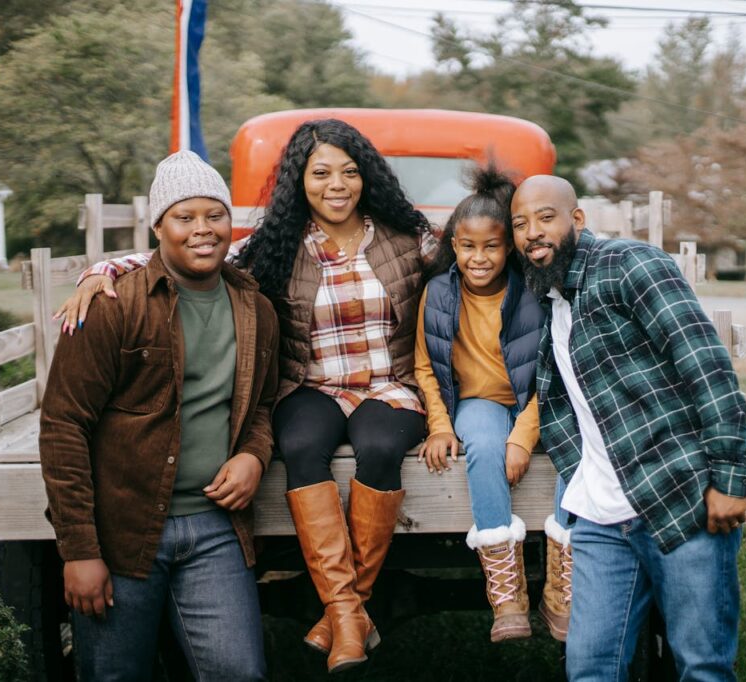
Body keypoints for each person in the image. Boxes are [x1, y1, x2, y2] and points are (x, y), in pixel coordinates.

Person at [54, 119, 438, 673]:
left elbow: (480, 260)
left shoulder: (408, 240)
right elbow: (190, 254)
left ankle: (345, 612)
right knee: (301, 442)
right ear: (298, 181)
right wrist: (104, 268)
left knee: (380, 447)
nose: (337, 184)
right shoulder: (279, 247)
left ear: (368, 178)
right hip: (314, 386)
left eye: (350, 172)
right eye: (321, 172)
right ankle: (346, 611)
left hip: (388, 387)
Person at [39, 150, 278, 681]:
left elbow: (262, 404)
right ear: (158, 226)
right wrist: (79, 550)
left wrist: (252, 456)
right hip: (121, 529)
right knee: (115, 676)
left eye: (214, 215)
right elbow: (63, 426)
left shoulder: (255, 309)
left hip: (215, 528)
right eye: (184, 217)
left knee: (240, 673)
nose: (202, 230)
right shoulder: (111, 305)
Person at [511, 175, 746, 681]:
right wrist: (580, 474)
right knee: (590, 667)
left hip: (679, 500)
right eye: (520, 223)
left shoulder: (632, 265)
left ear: (577, 219)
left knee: (702, 665)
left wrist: (730, 477)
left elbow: (707, 367)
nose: (532, 232)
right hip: (601, 517)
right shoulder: (555, 300)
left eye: (545, 217)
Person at [414, 165, 573, 643]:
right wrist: (440, 426)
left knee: (575, 453)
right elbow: (426, 366)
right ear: (453, 247)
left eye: (492, 246)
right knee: (481, 446)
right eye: (468, 247)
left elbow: (552, 373)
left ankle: (562, 588)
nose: (479, 258)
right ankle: (507, 592)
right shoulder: (439, 293)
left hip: (537, 401)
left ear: (509, 249)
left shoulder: (534, 294)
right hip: (477, 400)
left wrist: (523, 439)